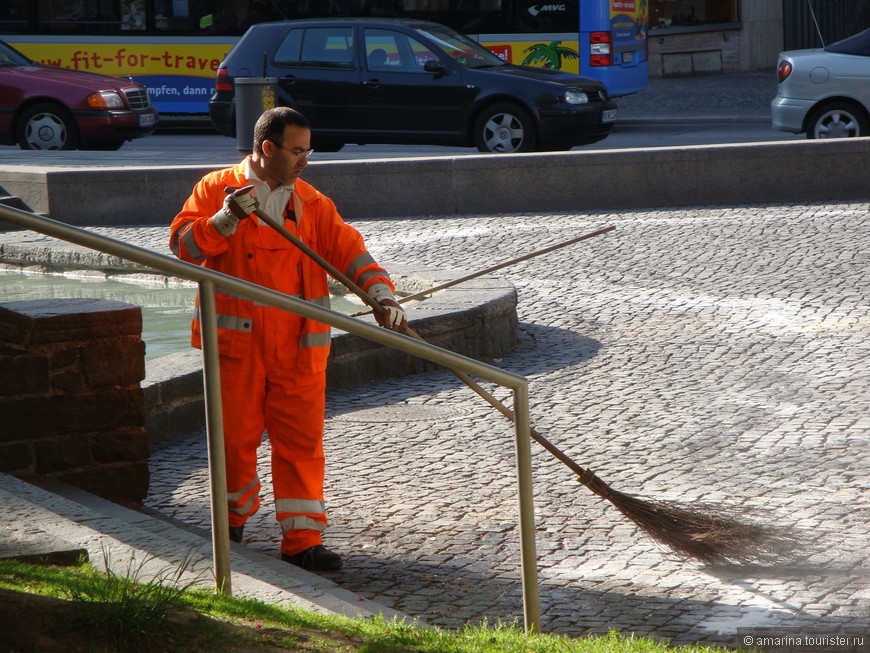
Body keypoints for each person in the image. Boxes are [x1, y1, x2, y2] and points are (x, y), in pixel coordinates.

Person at [169, 107, 407, 571]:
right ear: (267, 149)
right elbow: (182, 247)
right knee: (233, 439)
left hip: (299, 346)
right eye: (297, 151)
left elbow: (349, 249)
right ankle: (230, 522)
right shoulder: (215, 189)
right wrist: (223, 220)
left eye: (308, 151)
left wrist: (381, 293)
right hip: (237, 346)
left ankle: (303, 541)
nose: (304, 160)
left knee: (301, 443)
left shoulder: (313, 203)